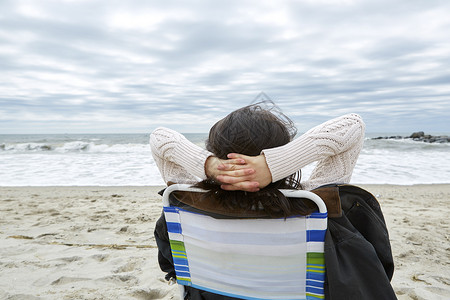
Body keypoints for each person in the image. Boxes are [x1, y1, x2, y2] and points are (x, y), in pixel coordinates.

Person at [151, 102, 396, 299]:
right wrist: (274, 165)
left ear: (214, 152)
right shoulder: (314, 203)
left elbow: (160, 138)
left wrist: (209, 166)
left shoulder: (188, 200)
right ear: (281, 152)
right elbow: (353, 125)